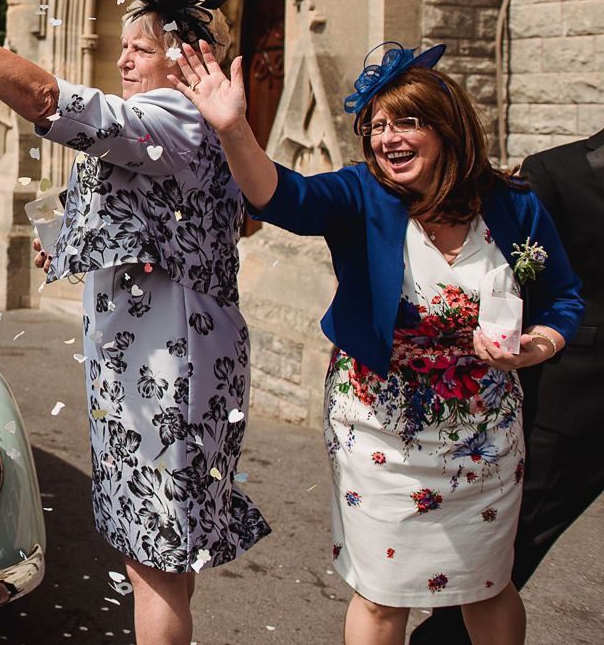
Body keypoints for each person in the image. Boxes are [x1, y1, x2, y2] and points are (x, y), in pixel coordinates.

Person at [0, 0, 271, 645]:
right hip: (164, 365)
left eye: (142, 49)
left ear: (188, 59)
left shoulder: (174, 114)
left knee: (155, 565)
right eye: (125, 46)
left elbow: (46, 99)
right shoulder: (196, 125)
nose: (125, 60)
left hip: (168, 375)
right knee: (162, 557)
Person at [172, 41, 584, 645]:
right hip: (377, 430)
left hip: (485, 435)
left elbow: (562, 296)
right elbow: (284, 198)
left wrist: (541, 343)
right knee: (383, 593)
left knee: (489, 585)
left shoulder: (514, 205)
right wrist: (233, 129)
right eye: (376, 127)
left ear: (448, 129)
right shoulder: (362, 196)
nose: (387, 138)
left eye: (407, 122)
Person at [409, 128, 604, 645]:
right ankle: (446, 636)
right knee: (514, 540)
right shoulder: (555, 171)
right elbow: (528, 284)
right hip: (578, 397)